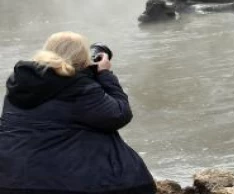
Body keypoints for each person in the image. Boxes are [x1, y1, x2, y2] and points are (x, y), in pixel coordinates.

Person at [0, 32, 156, 194]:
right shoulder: (78, 86)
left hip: (10, 180)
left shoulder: (20, 83)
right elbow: (119, 115)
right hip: (66, 185)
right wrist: (104, 74)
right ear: (82, 58)